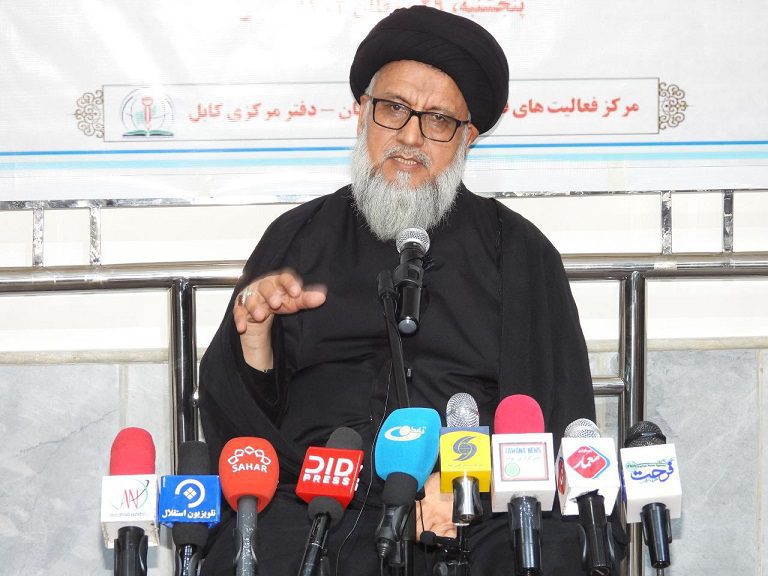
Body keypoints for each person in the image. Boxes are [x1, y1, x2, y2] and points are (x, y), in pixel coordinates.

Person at [199, 6, 604, 575]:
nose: (410, 137)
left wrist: (474, 483)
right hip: (315, 498)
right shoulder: (298, 236)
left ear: (468, 138)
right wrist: (255, 340)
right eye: (393, 109)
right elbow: (238, 429)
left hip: (471, 502)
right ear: (362, 114)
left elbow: (557, 416)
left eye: (437, 120)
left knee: (548, 554)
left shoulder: (518, 252)